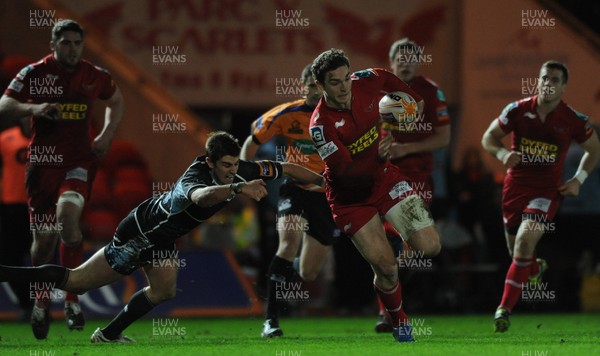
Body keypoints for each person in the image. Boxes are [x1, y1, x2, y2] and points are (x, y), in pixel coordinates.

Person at [0, 131, 324, 343]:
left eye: (234, 165)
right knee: (76, 283)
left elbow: (287, 168)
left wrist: (324, 182)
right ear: (209, 161)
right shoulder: (194, 178)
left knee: (165, 290)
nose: (231, 169)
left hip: (163, 240)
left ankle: (108, 336)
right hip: (139, 233)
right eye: (225, 165)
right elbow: (202, 198)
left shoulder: (241, 169)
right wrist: (238, 188)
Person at [0, 19, 125, 339]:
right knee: (43, 242)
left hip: (78, 163)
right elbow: (4, 105)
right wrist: (37, 106)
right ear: (53, 45)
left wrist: (108, 134)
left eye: (77, 43)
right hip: (41, 166)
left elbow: (116, 99)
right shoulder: (35, 73)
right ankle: (42, 299)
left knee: (68, 220)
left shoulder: (92, 75)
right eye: (66, 43)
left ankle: (71, 300)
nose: (72, 49)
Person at [308, 48, 441, 343]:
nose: (344, 88)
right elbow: (345, 173)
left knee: (430, 247)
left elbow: (385, 76)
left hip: (385, 181)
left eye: (346, 79)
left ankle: (397, 235)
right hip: (350, 198)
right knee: (387, 268)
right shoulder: (321, 126)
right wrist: (379, 156)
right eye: (334, 82)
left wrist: (413, 103)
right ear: (320, 86)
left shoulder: (366, 81)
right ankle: (399, 319)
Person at [481, 60, 600, 332]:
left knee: (524, 242)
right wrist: (502, 154)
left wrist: (578, 180)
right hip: (514, 190)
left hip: (546, 192)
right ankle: (534, 267)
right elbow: (489, 137)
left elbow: (594, 149)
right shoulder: (518, 110)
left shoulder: (573, 120)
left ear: (564, 86)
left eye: (555, 80)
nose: (549, 83)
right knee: (517, 253)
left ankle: (503, 310)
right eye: (545, 78)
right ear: (538, 81)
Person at [240, 64, 340, 338]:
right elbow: (252, 140)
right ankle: (271, 319)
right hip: (294, 187)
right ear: (302, 86)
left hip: (326, 195)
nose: (314, 92)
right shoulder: (287, 114)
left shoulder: (340, 115)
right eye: (310, 86)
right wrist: (244, 178)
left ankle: (285, 269)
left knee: (309, 272)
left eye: (319, 87)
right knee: (288, 243)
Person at [372, 38, 452, 332]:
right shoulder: (376, 88)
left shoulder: (430, 92)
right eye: (400, 58)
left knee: (408, 251)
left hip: (416, 179)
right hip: (379, 176)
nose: (405, 62)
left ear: (418, 62)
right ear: (391, 62)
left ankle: (391, 307)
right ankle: (387, 314)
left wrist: (407, 149)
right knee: (383, 246)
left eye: (411, 57)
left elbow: (443, 139)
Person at [0, 117, 34, 320]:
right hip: (12, 206)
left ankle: (43, 303)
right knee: (9, 256)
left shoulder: (49, 140)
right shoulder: (5, 139)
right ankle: (26, 303)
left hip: (41, 206)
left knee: (43, 255)